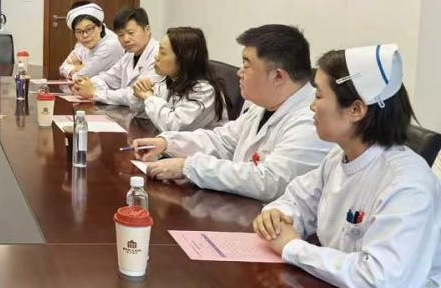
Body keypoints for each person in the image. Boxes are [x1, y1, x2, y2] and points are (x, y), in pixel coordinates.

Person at [253, 44, 441, 288]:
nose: (311, 106)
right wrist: (279, 214)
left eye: (319, 95)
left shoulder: (407, 184)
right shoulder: (340, 157)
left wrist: (293, 248)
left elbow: (381, 280)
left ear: (356, 110)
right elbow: (298, 198)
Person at [133, 24, 332, 201]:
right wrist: (168, 143)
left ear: (278, 76)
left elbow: (269, 181)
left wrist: (189, 167)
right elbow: (223, 141)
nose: (239, 72)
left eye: (246, 65)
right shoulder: (263, 106)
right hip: (240, 208)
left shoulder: (311, 120)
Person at [129, 26, 228, 132]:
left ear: (184, 59)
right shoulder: (168, 80)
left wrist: (149, 97)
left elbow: (173, 127)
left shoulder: (204, 92)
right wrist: (139, 94)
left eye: (163, 53)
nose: (156, 57)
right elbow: (141, 114)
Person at [72, 6, 158, 106]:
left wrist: (95, 93)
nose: (126, 39)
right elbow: (107, 78)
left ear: (147, 30)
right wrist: (86, 85)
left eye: (131, 33)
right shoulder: (129, 56)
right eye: (120, 35)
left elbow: (135, 94)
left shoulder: (158, 56)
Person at [58, 1, 123, 81]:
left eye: (89, 29)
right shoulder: (83, 42)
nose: (85, 35)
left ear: (100, 27)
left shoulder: (111, 46)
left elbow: (81, 78)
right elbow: (62, 68)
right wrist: (79, 68)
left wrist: (77, 69)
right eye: (79, 31)